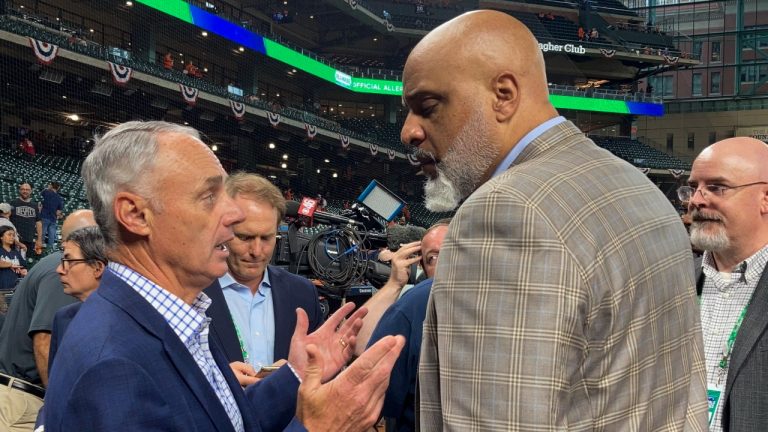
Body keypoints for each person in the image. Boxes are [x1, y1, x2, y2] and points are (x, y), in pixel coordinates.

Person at [400, 10, 707, 430]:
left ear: (503, 95)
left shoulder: (502, 212)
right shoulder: (637, 186)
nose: (408, 132)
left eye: (427, 106)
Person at [44, 121, 404, 432]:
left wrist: (294, 372)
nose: (232, 215)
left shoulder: (177, 316)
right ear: (136, 215)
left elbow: (227, 422)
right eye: (209, 196)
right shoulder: (113, 366)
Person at [681, 137, 768, 431]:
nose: (697, 200)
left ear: (765, 198)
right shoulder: (674, 284)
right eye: (693, 188)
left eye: (717, 188)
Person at [204, 172, 323, 378]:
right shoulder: (191, 292)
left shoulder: (302, 293)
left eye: (267, 238)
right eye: (244, 237)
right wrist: (217, 379)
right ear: (220, 229)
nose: (257, 251)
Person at [0, 210, 95, 431]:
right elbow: (45, 339)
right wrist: (60, 407)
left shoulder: (60, 264)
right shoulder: (66, 270)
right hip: (22, 402)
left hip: (20, 397)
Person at [365, 220, 450, 432]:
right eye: (433, 258)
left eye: (451, 249)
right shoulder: (411, 306)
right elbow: (360, 349)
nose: (445, 262)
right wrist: (394, 283)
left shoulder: (413, 301)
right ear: (422, 269)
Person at [9, 183, 43, 257]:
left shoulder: (34, 205)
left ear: (31, 191)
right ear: (19, 191)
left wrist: (39, 239)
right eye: (23, 189)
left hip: (29, 240)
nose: (25, 191)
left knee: (25, 263)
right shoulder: (13, 203)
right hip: (15, 239)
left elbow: (38, 223)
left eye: (27, 190)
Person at [40, 182, 63, 251]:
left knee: (42, 232)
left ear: (51, 186)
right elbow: (59, 212)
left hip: (44, 215)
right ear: (58, 188)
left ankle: (41, 246)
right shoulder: (60, 198)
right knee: (52, 235)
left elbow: (41, 193)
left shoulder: (46, 192)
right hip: (53, 218)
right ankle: (50, 249)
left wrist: (48, 188)